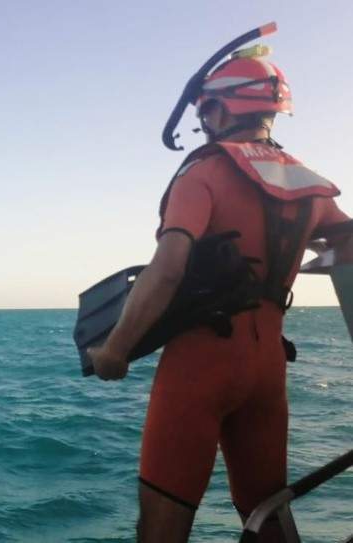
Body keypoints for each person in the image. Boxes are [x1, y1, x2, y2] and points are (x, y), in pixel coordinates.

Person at [87, 47, 352, 542]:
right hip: (268, 369)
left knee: (161, 522)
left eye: (207, 110)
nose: (205, 122)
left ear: (222, 108)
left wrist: (115, 351)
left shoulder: (204, 172)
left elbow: (168, 270)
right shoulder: (311, 189)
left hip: (200, 365)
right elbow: (349, 240)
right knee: (266, 511)